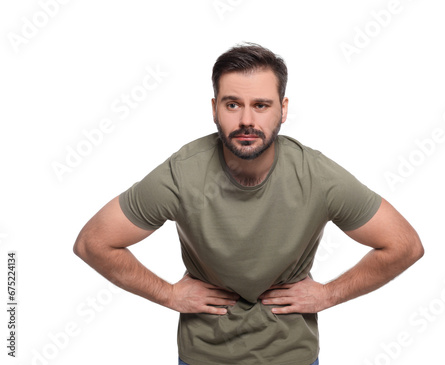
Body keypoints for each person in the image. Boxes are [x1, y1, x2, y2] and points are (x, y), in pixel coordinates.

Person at [73, 42, 424, 365]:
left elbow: (403, 245)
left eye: (261, 105)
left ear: (283, 110)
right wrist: (168, 294)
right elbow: (94, 243)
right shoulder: (183, 173)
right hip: (203, 356)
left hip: (292, 356)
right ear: (214, 109)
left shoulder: (316, 175)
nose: (246, 120)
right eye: (232, 104)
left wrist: (329, 294)